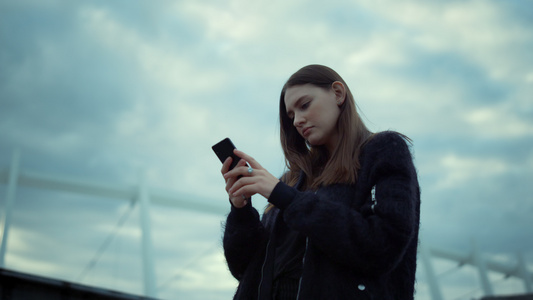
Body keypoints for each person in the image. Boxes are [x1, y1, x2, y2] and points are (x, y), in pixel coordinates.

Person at [220, 65, 420, 300]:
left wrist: (284, 196)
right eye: (291, 115)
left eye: (304, 105)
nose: (296, 121)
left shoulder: (383, 150)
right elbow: (243, 270)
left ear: (338, 93)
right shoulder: (291, 180)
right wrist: (241, 211)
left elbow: (382, 246)